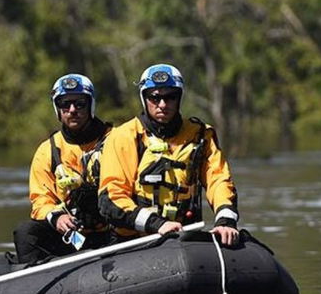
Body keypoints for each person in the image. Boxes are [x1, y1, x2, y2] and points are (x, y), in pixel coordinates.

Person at [98, 63, 241, 246]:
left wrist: (226, 221)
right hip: (134, 240)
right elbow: (111, 199)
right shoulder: (124, 137)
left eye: (170, 97)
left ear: (179, 97)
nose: (163, 105)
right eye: (154, 98)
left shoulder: (201, 135)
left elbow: (219, 180)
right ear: (144, 98)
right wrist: (157, 224)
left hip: (186, 236)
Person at [13, 73, 113, 263]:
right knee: (26, 232)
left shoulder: (116, 140)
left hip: (112, 231)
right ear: (57, 109)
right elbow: (41, 200)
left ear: (91, 106)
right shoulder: (47, 151)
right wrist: (57, 217)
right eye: (65, 104)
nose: (72, 110)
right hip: (72, 234)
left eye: (80, 104)